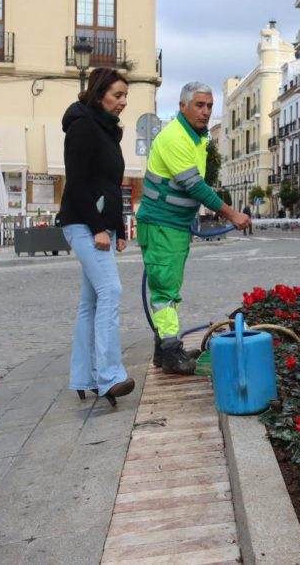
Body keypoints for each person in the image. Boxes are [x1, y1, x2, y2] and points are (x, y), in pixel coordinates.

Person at [138, 82, 250, 374]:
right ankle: (171, 353)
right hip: (162, 224)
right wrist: (231, 213)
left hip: (172, 225)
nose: (206, 112)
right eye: (200, 105)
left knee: (169, 285)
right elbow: (194, 185)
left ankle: (164, 350)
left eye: (210, 106)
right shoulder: (175, 138)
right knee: (164, 291)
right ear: (182, 106)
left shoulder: (196, 138)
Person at [57, 67, 136, 405]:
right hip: (83, 223)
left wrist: (116, 226)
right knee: (111, 291)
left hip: (99, 226)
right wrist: (98, 227)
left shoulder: (107, 130)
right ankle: (109, 375)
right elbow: (76, 184)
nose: (122, 102)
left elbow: (109, 184)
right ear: (99, 92)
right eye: (117, 95)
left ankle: (83, 376)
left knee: (91, 302)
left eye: (125, 97)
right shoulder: (83, 128)